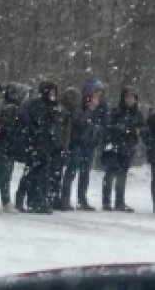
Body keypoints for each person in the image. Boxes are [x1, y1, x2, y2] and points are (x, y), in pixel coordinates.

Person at [61, 79, 106, 211]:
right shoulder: (79, 109)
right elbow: (78, 124)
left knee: (85, 173)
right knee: (71, 172)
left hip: (89, 145)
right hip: (78, 144)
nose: (98, 97)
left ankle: (82, 198)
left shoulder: (99, 110)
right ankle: (65, 198)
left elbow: (101, 126)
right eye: (95, 94)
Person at [20, 81, 61, 215]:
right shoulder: (39, 105)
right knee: (34, 174)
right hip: (37, 144)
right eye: (51, 92)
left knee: (42, 174)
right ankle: (33, 200)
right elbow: (39, 123)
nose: (53, 95)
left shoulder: (52, 106)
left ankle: (39, 199)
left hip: (45, 144)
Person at [101, 87, 144, 212]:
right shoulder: (115, 112)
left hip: (128, 148)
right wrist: (130, 130)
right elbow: (111, 128)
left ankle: (119, 202)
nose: (130, 100)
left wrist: (140, 131)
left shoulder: (137, 114)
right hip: (114, 148)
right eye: (128, 97)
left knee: (122, 176)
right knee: (110, 175)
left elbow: (144, 129)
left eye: (133, 98)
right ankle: (106, 202)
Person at [0, 83, 26, 213]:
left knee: (6, 174)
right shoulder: (10, 109)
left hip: (8, 147)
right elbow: (4, 128)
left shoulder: (10, 108)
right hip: (5, 146)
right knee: (1, 173)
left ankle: (5, 201)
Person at [49, 86, 79, 211]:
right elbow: (60, 130)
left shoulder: (70, 112)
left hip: (62, 146)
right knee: (54, 173)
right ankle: (52, 197)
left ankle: (55, 198)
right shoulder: (62, 111)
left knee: (58, 174)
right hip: (57, 146)